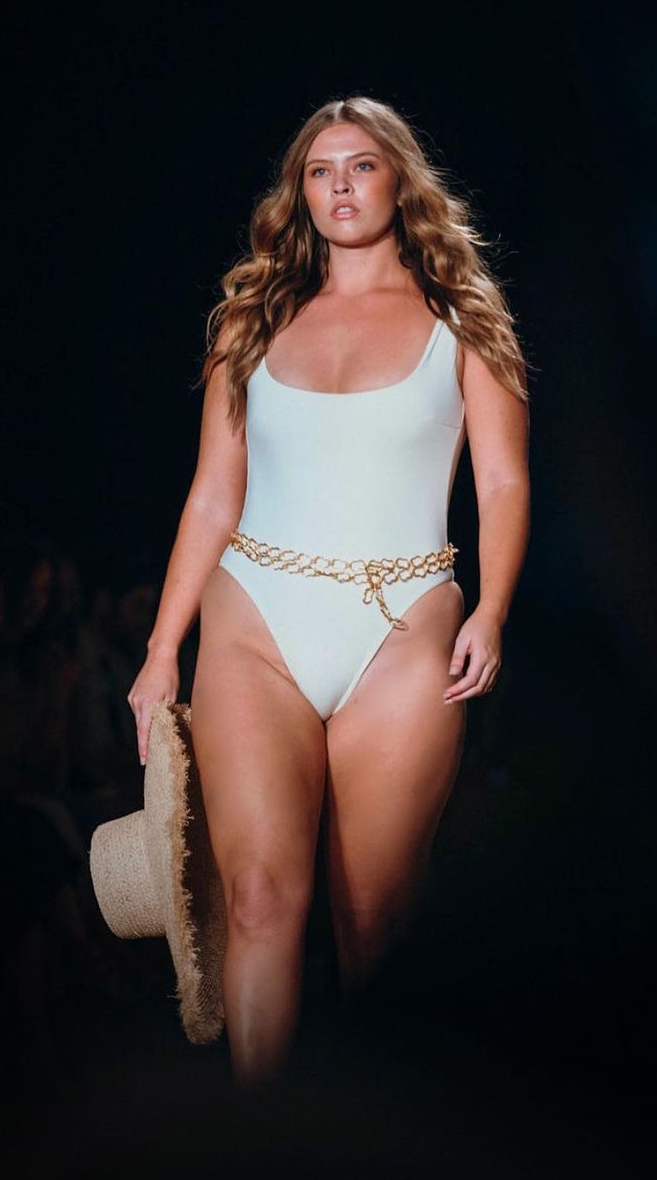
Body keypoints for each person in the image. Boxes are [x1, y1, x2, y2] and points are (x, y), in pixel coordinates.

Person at [127, 96, 531, 1088]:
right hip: (256, 617)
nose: (340, 186)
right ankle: (262, 1143)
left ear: (400, 182)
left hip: (406, 622)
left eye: (361, 166)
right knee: (260, 900)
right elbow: (212, 494)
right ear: (299, 192)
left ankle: (369, 1134)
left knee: (376, 923)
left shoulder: (465, 320)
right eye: (320, 170)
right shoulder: (251, 321)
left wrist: (492, 609)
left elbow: (502, 482)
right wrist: (161, 649)